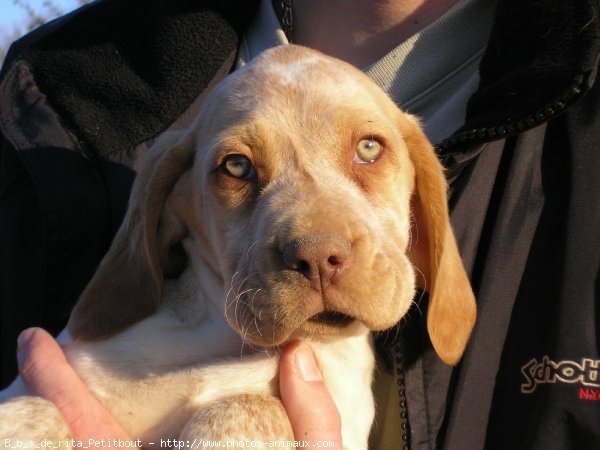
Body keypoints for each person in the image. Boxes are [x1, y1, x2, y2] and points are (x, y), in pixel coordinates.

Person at [1, 0, 599, 448]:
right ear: (171, 205)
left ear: (425, 200)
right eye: (238, 167)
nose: (317, 244)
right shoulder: (43, 92)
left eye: (368, 151)